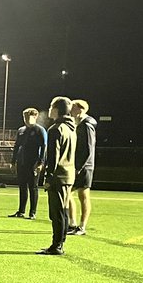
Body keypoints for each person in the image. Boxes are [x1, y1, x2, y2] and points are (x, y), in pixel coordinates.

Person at [37, 96, 77, 256]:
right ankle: (60, 242)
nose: (49, 109)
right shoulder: (71, 128)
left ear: (57, 109)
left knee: (57, 212)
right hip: (68, 175)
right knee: (63, 211)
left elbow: (53, 157)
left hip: (59, 177)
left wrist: (48, 177)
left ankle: (57, 245)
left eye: (51, 106)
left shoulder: (56, 129)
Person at [10, 107, 47, 219]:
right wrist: (13, 161)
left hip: (33, 163)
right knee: (22, 187)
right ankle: (21, 211)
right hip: (22, 163)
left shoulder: (39, 130)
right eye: (24, 117)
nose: (25, 119)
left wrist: (40, 162)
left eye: (28, 117)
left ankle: (32, 212)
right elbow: (17, 146)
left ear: (35, 117)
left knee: (33, 187)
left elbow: (44, 146)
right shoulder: (21, 130)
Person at [67, 99, 97, 235]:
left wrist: (78, 167)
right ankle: (72, 224)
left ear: (80, 109)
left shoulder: (87, 124)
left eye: (73, 108)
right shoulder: (78, 124)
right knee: (68, 194)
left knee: (83, 195)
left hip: (84, 166)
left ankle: (82, 226)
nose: (70, 111)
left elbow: (88, 149)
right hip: (77, 165)